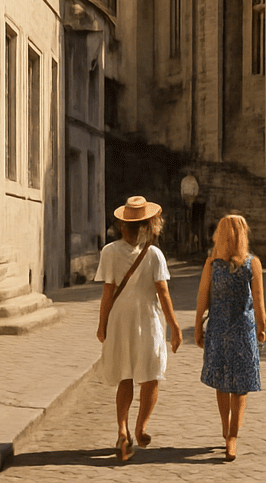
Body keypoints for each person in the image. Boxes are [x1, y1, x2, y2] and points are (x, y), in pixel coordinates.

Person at [94, 196, 183, 464]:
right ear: (146, 226)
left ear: (122, 225)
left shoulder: (109, 251)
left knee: (125, 375)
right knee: (151, 375)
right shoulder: (154, 254)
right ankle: (141, 426)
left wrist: (102, 324)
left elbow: (107, 292)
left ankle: (122, 429)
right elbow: (163, 294)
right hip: (148, 320)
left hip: (120, 320)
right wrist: (175, 327)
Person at [196, 214, 266, 461]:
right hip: (241, 329)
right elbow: (258, 300)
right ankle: (232, 435)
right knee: (239, 385)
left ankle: (228, 430)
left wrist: (197, 326)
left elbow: (202, 298)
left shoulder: (212, 264)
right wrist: (262, 327)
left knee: (223, 382)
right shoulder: (251, 263)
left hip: (219, 327)